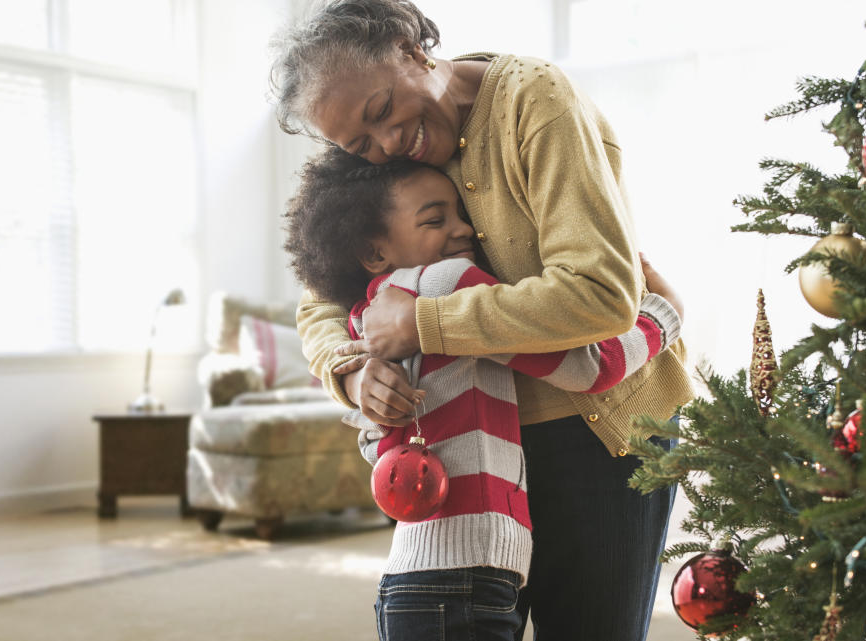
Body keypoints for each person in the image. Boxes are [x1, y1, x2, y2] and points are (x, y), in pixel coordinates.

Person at [271, 1, 696, 639]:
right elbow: (323, 294)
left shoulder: (535, 101)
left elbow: (601, 296)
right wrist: (351, 370)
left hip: (598, 431)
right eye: (357, 144)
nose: (384, 147)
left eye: (383, 112)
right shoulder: (376, 160)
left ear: (411, 47)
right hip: (473, 450)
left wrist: (427, 324)